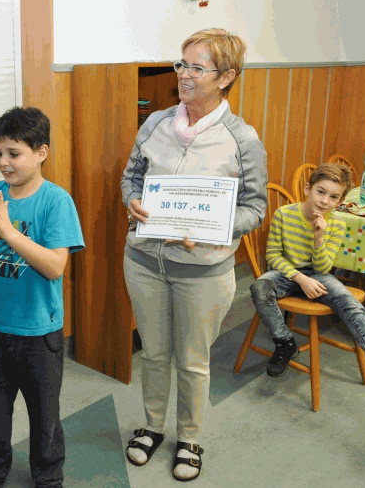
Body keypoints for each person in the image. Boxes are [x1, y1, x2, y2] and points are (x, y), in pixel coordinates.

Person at [121, 29, 267, 482]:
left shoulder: (242, 139)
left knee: (192, 360)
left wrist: (211, 228)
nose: (182, 74)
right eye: (181, 64)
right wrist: (131, 200)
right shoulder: (156, 123)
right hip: (144, 262)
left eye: (196, 68)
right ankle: (152, 427)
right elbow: (131, 176)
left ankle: (190, 437)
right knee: (154, 354)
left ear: (226, 77)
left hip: (203, 271)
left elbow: (256, 208)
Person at [0, 107, 85, 488]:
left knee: (44, 415)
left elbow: (54, 267)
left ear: (41, 152)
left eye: (14, 153)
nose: (3, 163)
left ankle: (48, 478)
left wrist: (12, 235)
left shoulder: (56, 201)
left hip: (38, 331)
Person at [250, 163, 365, 398]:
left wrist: (319, 238)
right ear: (308, 188)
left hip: (319, 275)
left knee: (349, 302)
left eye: (334, 197)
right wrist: (299, 278)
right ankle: (285, 343)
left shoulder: (336, 223)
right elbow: (273, 256)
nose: (325, 201)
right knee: (260, 286)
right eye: (321, 192)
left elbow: (324, 268)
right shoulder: (284, 214)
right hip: (287, 274)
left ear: (339, 202)